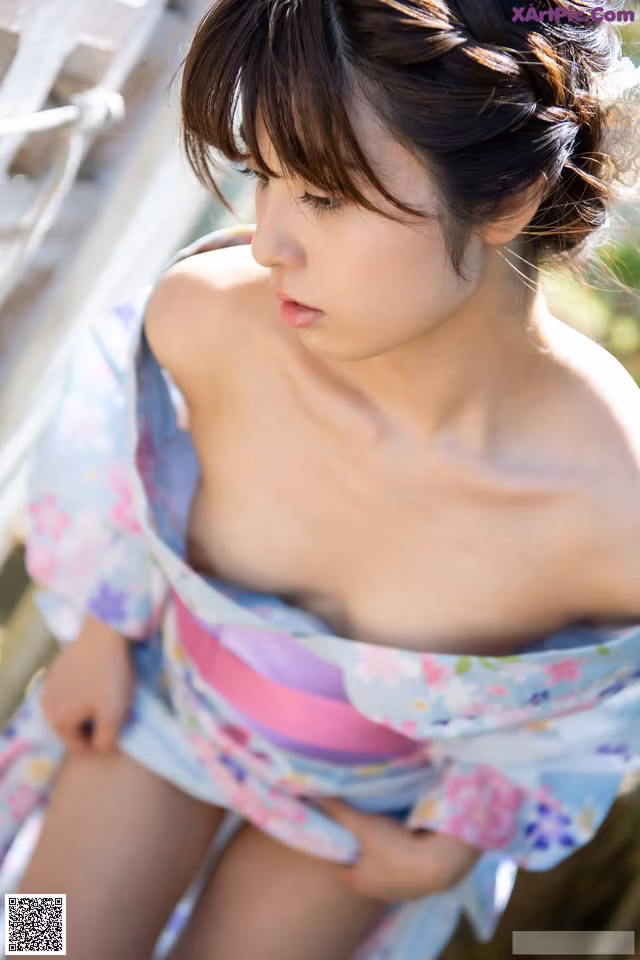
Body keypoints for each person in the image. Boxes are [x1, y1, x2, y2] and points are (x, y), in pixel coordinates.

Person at [2, 1, 640, 958]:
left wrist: (459, 840)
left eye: (328, 198)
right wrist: (101, 629)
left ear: (505, 200)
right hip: (161, 705)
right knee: (37, 941)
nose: (268, 243)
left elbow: (594, 716)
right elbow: (125, 461)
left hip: (368, 813)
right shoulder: (206, 322)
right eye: (265, 176)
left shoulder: (608, 511)